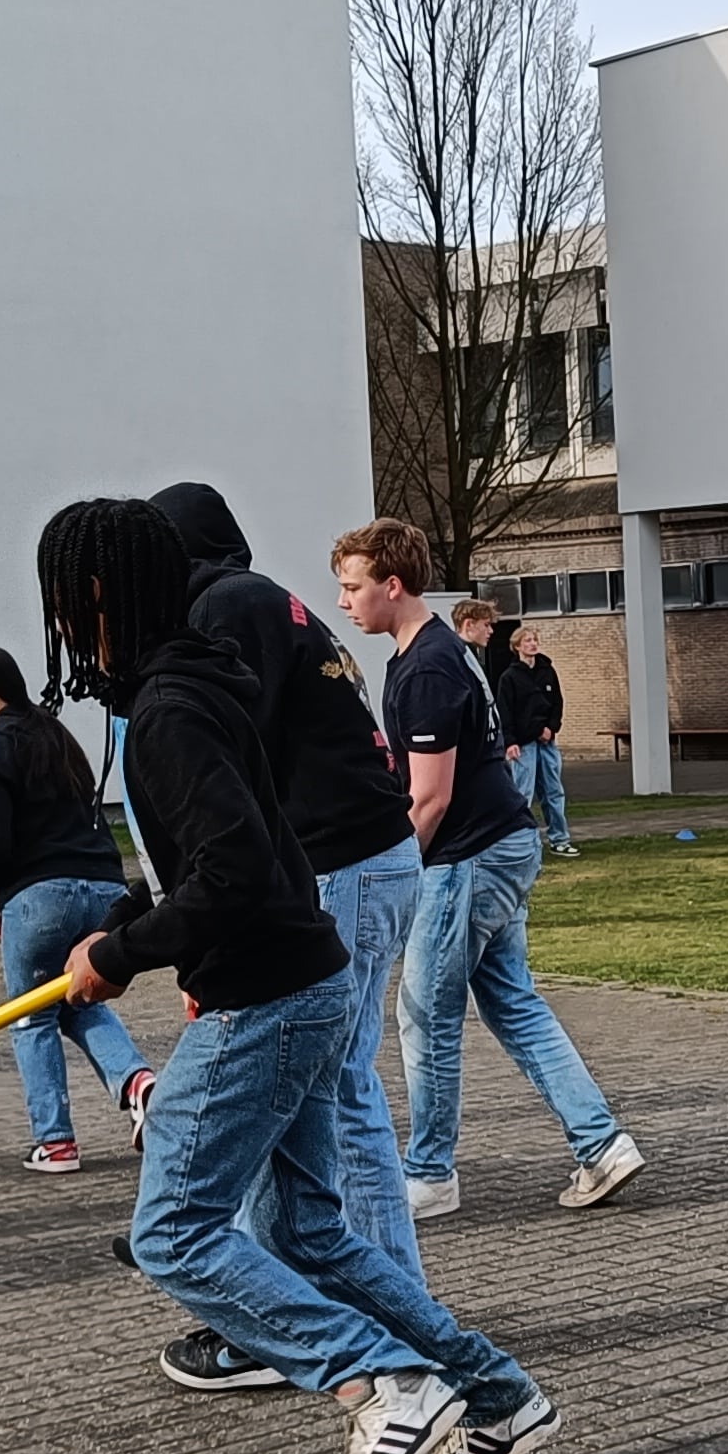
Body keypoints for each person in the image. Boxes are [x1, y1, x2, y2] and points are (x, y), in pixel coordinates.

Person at [39, 501, 554, 1454]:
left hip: (265, 994)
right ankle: (498, 1396)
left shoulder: (176, 713)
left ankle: (384, 1384)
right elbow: (243, 846)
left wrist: (121, 950)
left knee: (175, 1232)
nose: (60, 622)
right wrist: (136, 925)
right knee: (308, 1232)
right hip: (299, 972)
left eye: (67, 598)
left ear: (99, 597)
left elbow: (232, 871)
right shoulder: (202, 689)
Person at [150, 483, 427, 1266]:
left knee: (332, 1085)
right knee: (320, 1082)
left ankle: (380, 1289)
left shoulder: (227, 610)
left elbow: (238, 761)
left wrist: (211, 915)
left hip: (343, 862)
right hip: (360, 858)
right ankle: (308, 1271)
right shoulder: (260, 600)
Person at [339, 516, 645, 1222]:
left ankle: (430, 1173)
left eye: (353, 587)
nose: (344, 602)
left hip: (466, 857)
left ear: (393, 584)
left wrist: (390, 875)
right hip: (498, 847)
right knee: (512, 1002)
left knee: (426, 1016)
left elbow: (430, 797)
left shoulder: (426, 667)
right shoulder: (435, 651)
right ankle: (601, 1144)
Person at [0, 646, 149, 1171]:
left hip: (41, 898)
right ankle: (137, 1085)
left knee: (32, 1017)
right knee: (80, 1000)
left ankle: (55, 1141)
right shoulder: (56, 737)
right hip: (104, 888)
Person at [500, 621, 577, 858]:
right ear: (517, 646)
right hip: (523, 744)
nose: (532, 644)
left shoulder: (547, 671)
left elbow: (557, 703)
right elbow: (505, 712)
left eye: (534, 640)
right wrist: (510, 741)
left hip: (547, 742)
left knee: (553, 791)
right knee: (523, 794)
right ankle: (522, 842)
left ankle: (560, 839)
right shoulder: (509, 677)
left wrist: (551, 729)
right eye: (527, 641)